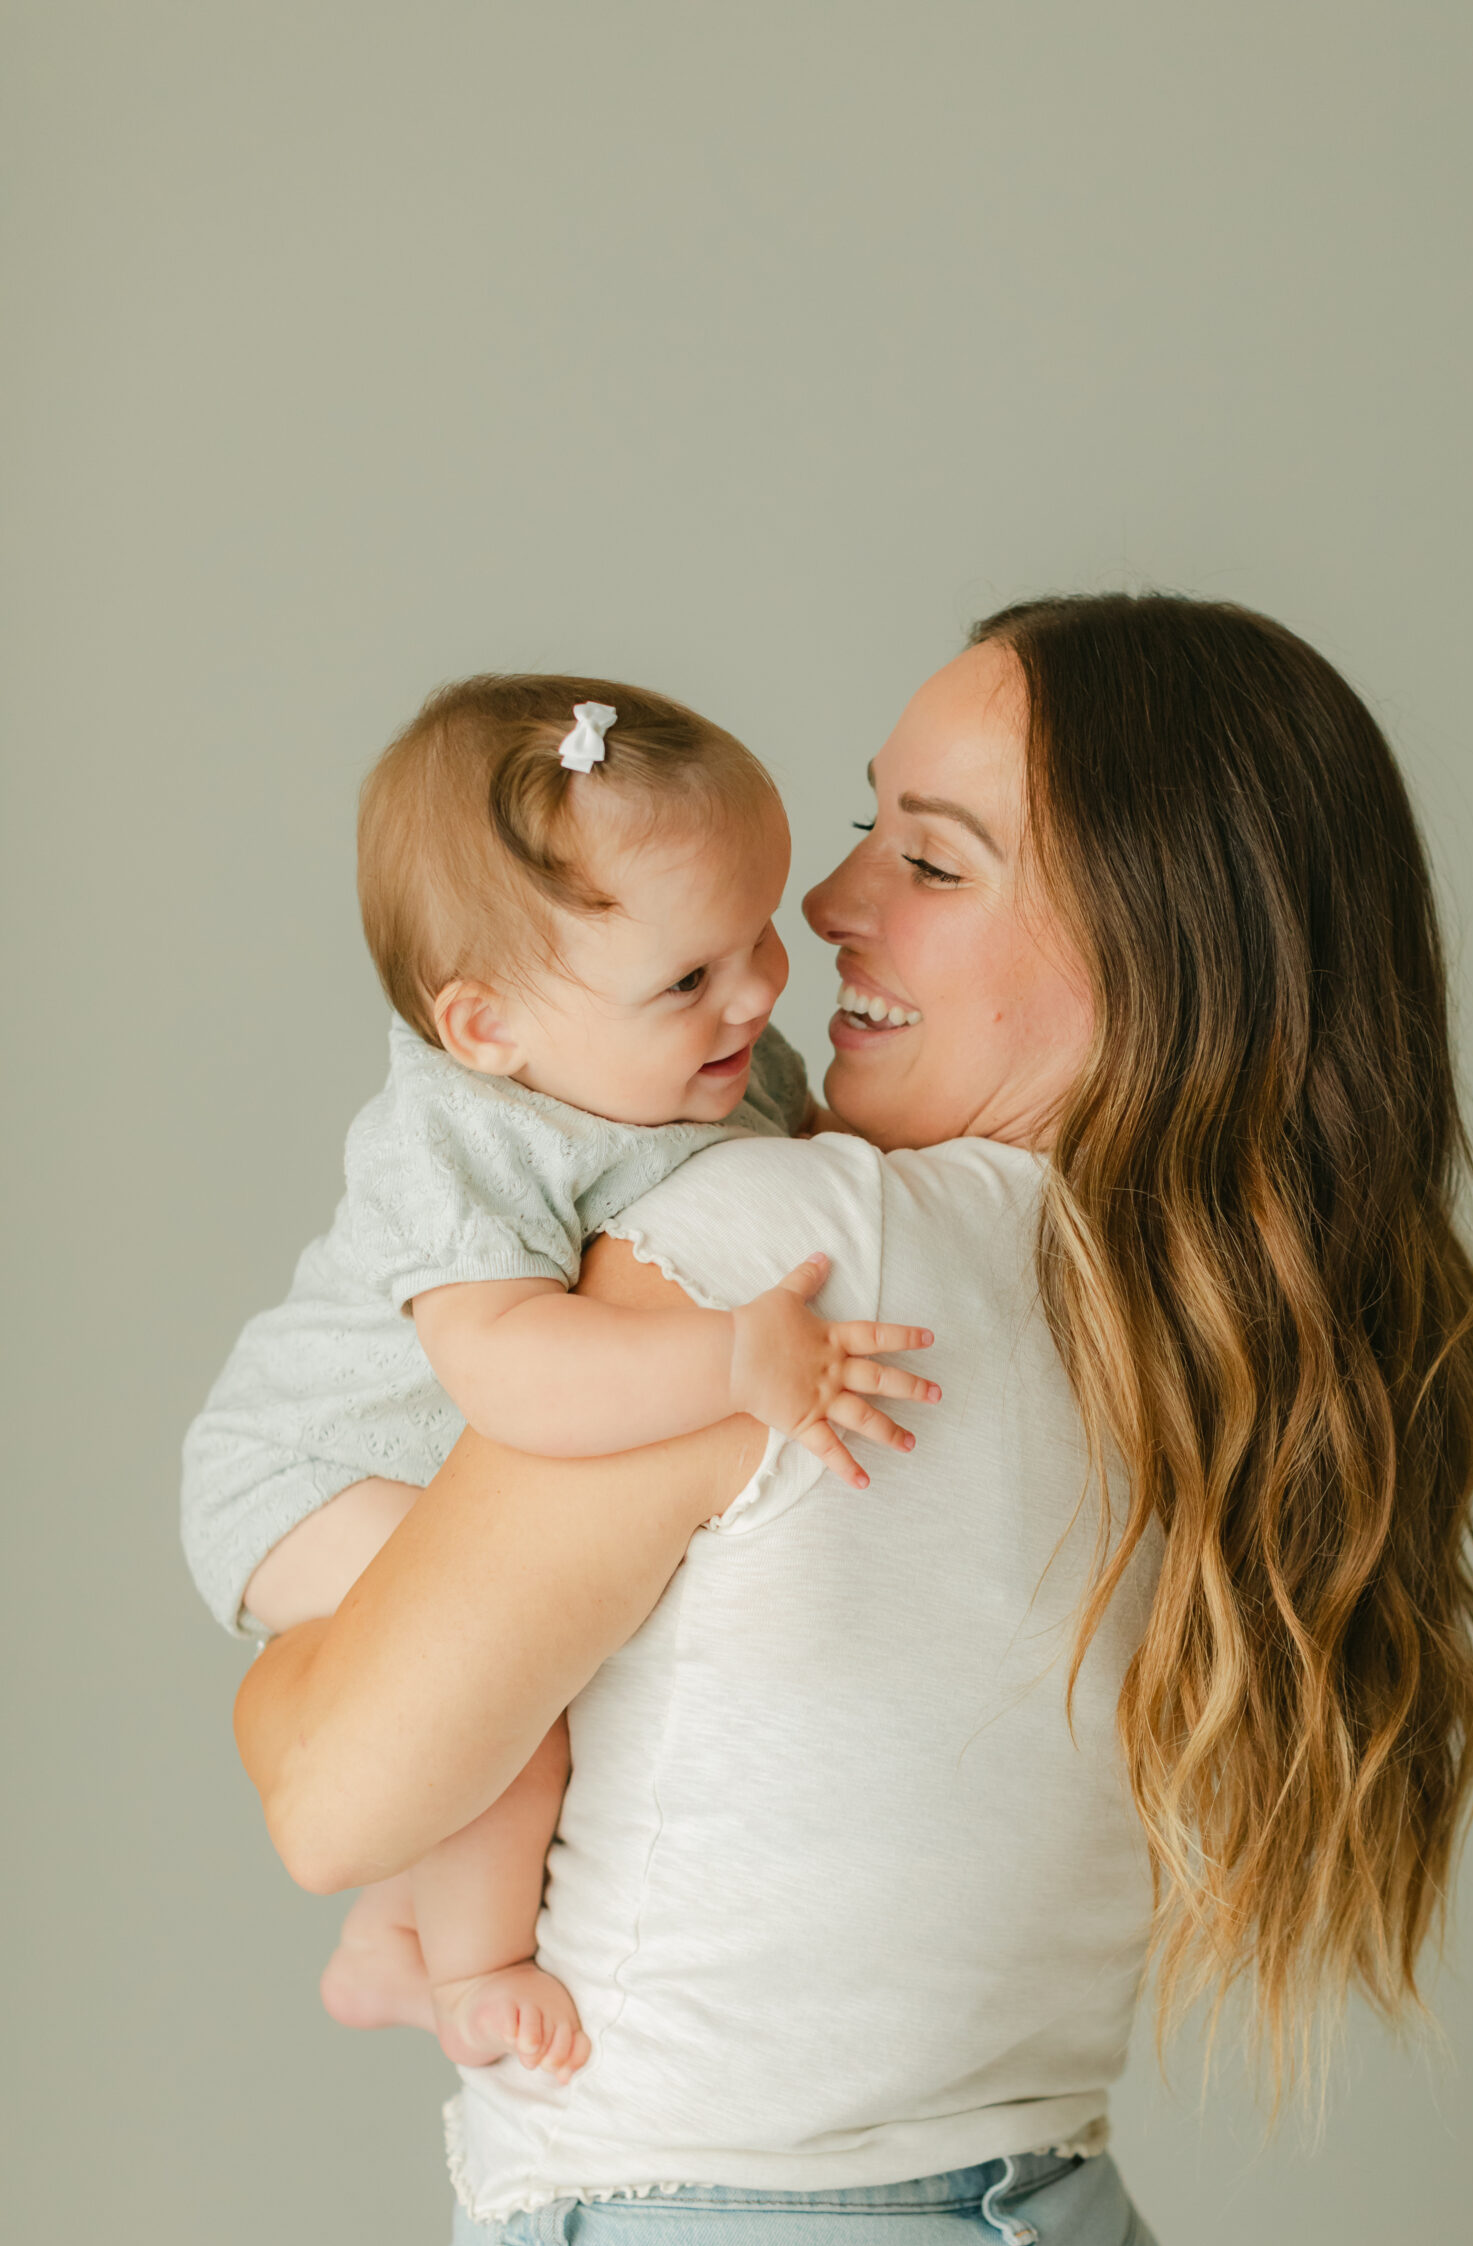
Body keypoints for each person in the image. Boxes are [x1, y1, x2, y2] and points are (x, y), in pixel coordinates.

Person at [235, 594, 1473, 2246]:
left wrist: (278, 1641)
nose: (826, 905)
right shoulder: (1239, 1331)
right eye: (864, 827)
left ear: (1155, 945)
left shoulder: (774, 1244)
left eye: (928, 858)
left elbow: (340, 1791)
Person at [181, 673, 935, 2083]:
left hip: (400, 1456)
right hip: (311, 1465)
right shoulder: (465, 1138)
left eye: (756, 933)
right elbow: (517, 1379)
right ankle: (470, 1969)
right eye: (694, 977)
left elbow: (802, 1141)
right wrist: (732, 1358)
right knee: (495, 1700)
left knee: (499, 1671)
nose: (764, 987)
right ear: (487, 1031)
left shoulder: (702, 1051)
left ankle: (388, 1933)